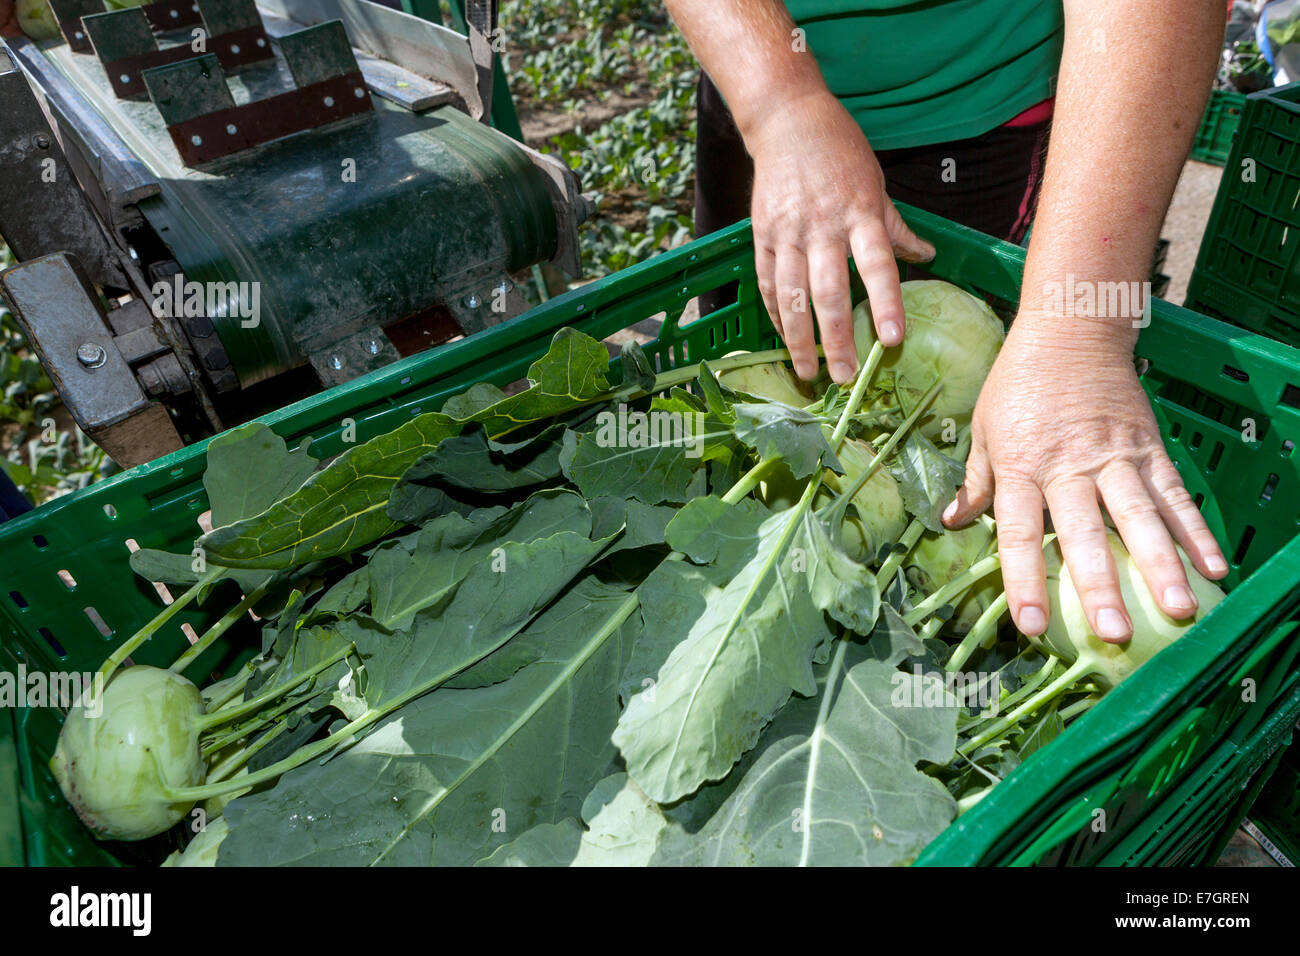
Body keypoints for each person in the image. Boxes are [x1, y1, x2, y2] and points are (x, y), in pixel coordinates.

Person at [667, 0, 1231, 643]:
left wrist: (1077, 331)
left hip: (982, 107)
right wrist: (779, 105)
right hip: (751, 64)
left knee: (1019, 448)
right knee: (749, 389)